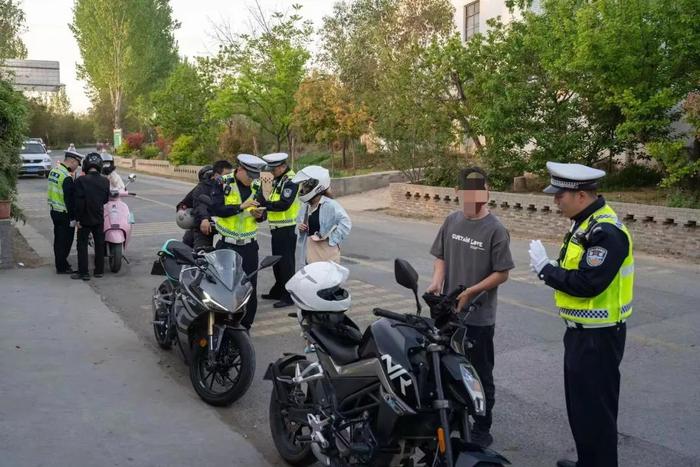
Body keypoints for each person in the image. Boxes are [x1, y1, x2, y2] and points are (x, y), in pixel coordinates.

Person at [528, 162, 634, 467]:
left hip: (598, 339)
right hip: (582, 334)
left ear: (581, 196)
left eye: (560, 195)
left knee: (596, 415)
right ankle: (589, 461)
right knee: (582, 410)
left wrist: (545, 270)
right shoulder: (585, 223)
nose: (555, 200)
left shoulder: (606, 232)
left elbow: (588, 283)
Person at [426, 167, 514, 448]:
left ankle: (482, 426)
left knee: (478, 371)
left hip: (479, 316)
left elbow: (502, 272)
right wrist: (436, 281)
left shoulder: (496, 230)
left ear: (486, 192)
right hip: (448, 311)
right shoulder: (451, 221)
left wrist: (473, 291)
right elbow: (440, 256)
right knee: (445, 366)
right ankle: (452, 416)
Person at [211, 154, 267, 330]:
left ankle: (245, 327)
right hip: (227, 244)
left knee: (249, 287)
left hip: (249, 246)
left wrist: (260, 215)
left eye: (255, 177)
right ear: (240, 170)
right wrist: (240, 207)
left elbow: (263, 212)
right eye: (249, 176)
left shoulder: (257, 185)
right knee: (224, 287)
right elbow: (215, 208)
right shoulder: (223, 182)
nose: (252, 181)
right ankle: (223, 324)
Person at [260, 152, 300, 308]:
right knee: (277, 262)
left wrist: (264, 206)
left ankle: (288, 296)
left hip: (287, 227)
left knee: (286, 264)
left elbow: (284, 203)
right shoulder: (277, 179)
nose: (271, 171)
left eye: (274, 169)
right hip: (276, 227)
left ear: (283, 166)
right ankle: (278, 290)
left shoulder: (291, 180)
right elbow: (265, 195)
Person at [293, 165, 351, 265]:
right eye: (304, 186)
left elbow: (346, 223)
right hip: (310, 252)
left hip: (327, 254)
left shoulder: (330, 205)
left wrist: (330, 239)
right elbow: (298, 226)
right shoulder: (305, 206)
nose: (304, 189)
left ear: (317, 186)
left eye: (307, 186)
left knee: (326, 279)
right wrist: (300, 228)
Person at [71, 153, 110, 281]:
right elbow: (105, 199)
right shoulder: (105, 181)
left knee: (82, 244)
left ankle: (84, 272)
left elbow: (78, 202)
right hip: (98, 216)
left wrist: (77, 218)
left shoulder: (80, 181)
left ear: (86, 166)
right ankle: (99, 271)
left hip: (84, 217)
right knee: (99, 244)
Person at [47, 150, 83, 274]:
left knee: (58, 240)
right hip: (64, 214)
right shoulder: (66, 177)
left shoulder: (54, 171)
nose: (77, 167)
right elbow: (69, 200)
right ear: (72, 161)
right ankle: (62, 267)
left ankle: (61, 263)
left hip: (54, 211)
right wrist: (73, 218)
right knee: (66, 242)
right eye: (77, 164)